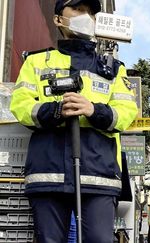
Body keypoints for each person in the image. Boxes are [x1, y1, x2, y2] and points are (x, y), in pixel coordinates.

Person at [9, 0, 138, 242]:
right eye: (78, 9)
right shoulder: (36, 62)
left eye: (90, 12)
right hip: (48, 173)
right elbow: (20, 105)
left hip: (99, 174)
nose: (86, 16)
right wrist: (56, 110)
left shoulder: (113, 69)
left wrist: (93, 110)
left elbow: (127, 112)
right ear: (58, 19)